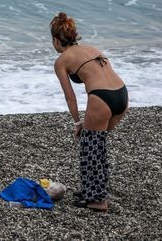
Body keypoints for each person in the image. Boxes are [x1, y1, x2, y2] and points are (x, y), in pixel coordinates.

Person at [50, 12, 128, 212]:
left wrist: (77, 123)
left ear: (56, 40)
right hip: (122, 95)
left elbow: (70, 97)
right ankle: (92, 191)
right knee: (97, 146)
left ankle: (97, 201)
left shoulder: (62, 61)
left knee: (90, 148)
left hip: (102, 98)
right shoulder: (92, 49)